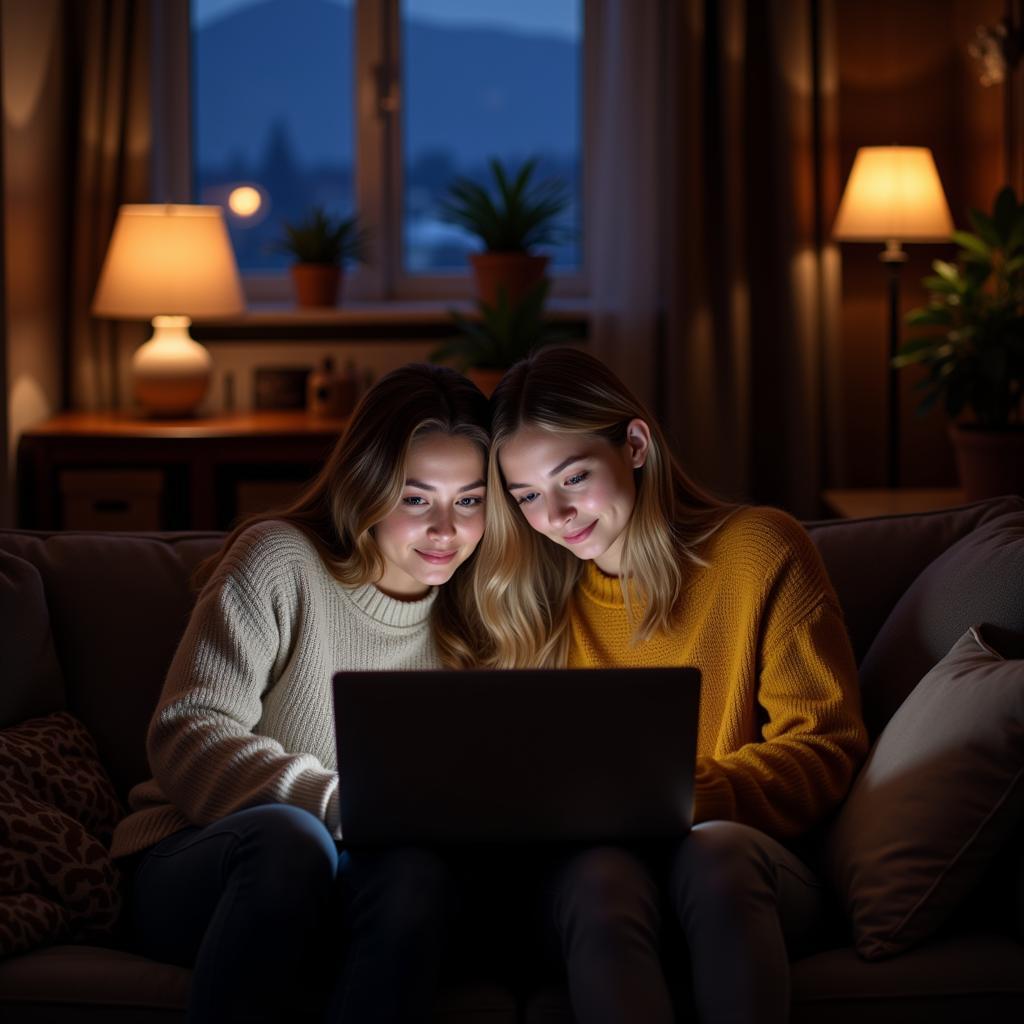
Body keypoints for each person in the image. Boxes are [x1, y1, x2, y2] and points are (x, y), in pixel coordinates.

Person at [471, 347, 868, 1024]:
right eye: (528, 496)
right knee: (600, 875)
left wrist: (688, 797)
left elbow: (826, 748)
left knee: (714, 854)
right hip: (593, 883)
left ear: (633, 444)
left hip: (741, 871)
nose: (556, 515)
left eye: (573, 478)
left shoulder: (760, 551)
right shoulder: (525, 600)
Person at [111, 363, 490, 1024]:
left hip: (359, 884)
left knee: (415, 878)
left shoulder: (484, 611)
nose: (445, 528)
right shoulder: (282, 560)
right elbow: (186, 732)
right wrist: (347, 806)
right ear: (367, 486)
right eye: (415, 497)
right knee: (292, 840)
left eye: (470, 499)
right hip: (207, 865)